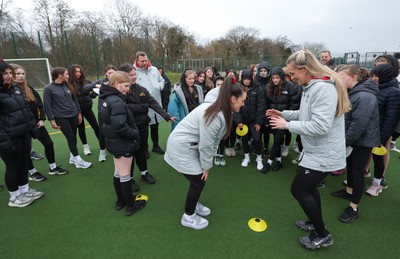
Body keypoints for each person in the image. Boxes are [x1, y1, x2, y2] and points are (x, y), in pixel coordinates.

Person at [267, 50, 350, 249]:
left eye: (293, 73)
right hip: (315, 151)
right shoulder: (311, 86)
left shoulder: (322, 89)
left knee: (299, 189)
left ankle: (323, 234)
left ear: (305, 70)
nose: (290, 78)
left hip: (324, 153)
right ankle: (315, 223)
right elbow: (305, 114)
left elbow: (321, 126)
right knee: (307, 189)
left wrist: (285, 125)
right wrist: (283, 113)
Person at [164, 77, 246, 230]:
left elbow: (211, 141)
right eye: (242, 101)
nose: (243, 104)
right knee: (198, 180)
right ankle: (188, 216)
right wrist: (206, 166)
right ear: (232, 99)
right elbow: (207, 144)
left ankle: (193, 204)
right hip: (182, 147)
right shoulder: (215, 114)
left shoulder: (220, 105)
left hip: (188, 145)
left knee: (197, 180)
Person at [331, 65, 380, 222]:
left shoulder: (365, 96)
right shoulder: (355, 92)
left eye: (342, 77)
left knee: (358, 172)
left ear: (354, 77)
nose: (339, 80)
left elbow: (359, 124)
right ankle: (349, 191)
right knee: (351, 167)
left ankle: (353, 207)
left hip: (363, 141)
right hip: (355, 139)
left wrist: (344, 142)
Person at [99, 71, 146, 216]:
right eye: (126, 85)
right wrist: (135, 134)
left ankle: (120, 201)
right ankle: (130, 205)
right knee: (125, 174)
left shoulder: (106, 98)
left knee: (118, 173)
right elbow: (119, 126)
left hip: (113, 142)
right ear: (116, 84)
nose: (128, 89)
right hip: (122, 142)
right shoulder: (117, 101)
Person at [119, 64, 174, 190]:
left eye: (134, 74)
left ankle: (144, 173)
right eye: (130, 75)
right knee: (130, 153)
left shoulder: (141, 89)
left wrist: (165, 115)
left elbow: (152, 102)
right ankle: (130, 178)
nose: (134, 77)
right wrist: (143, 107)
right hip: (130, 128)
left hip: (143, 125)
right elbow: (127, 108)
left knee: (142, 151)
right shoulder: (121, 91)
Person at [0, 58, 44, 207]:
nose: (8, 76)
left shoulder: (16, 89)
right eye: (4, 73)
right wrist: (4, 140)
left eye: (9, 73)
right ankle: (14, 197)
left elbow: (26, 111)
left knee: (24, 162)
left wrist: (33, 129)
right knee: (13, 166)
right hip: (9, 137)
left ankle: (24, 190)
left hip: (23, 133)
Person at [12, 64, 68, 180]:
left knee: (49, 143)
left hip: (37, 124)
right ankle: (32, 172)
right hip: (23, 126)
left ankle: (53, 168)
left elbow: (40, 105)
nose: (21, 76)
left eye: (22, 73)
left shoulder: (30, 89)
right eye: (17, 74)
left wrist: (42, 119)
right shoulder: (10, 92)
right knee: (26, 151)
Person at [43, 67, 92, 169]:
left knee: (73, 137)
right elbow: (47, 105)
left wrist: (78, 113)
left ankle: (72, 157)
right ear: (60, 75)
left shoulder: (67, 85)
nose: (68, 76)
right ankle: (78, 160)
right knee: (70, 137)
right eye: (67, 74)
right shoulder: (48, 89)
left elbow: (75, 100)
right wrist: (51, 120)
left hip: (73, 115)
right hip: (61, 117)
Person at [365, 64, 400, 196]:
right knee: (364, 154)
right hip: (368, 129)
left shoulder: (394, 92)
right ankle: (364, 175)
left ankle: (377, 184)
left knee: (378, 157)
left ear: (385, 76)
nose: (373, 78)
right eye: (372, 75)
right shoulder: (375, 87)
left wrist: (382, 137)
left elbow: (391, 118)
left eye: (376, 76)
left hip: (380, 132)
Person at [261, 67, 298, 173]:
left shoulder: (291, 87)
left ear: (282, 77)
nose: (275, 80)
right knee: (278, 140)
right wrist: (268, 118)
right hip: (273, 118)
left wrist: (284, 118)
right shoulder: (269, 87)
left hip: (284, 119)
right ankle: (279, 161)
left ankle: (268, 162)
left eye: (277, 78)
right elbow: (266, 104)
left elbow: (294, 105)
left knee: (277, 140)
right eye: (273, 78)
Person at [133, 51, 166, 155]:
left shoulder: (154, 69)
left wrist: (159, 86)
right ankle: (145, 149)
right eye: (142, 61)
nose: (145, 63)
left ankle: (155, 146)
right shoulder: (134, 72)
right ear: (137, 60)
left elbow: (162, 80)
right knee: (144, 129)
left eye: (146, 60)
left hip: (156, 103)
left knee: (155, 127)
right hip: (142, 106)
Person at [84, 65, 117, 162]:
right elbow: (86, 87)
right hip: (103, 111)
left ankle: (116, 149)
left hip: (116, 111)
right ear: (105, 74)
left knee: (117, 130)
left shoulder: (119, 81)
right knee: (102, 132)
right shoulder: (100, 82)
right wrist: (97, 86)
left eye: (113, 72)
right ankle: (102, 151)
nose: (112, 74)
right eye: (109, 72)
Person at [234, 68, 265, 170]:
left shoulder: (258, 89)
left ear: (252, 78)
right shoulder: (238, 89)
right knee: (245, 139)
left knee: (257, 139)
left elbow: (261, 107)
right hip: (243, 121)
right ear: (242, 79)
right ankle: (246, 157)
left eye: (248, 79)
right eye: (245, 79)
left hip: (254, 121)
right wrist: (238, 121)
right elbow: (235, 107)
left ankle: (259, 158)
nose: (247, 81)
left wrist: (259, 122)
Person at [68, 64, 100, 156]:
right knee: (81, 129)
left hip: (88, 109)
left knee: (96, 126)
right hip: (77, 111)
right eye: (76, 72)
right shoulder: (69, 84)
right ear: (71, 73)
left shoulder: (87, 82)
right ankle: (85, 147)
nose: (78, 74)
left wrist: (92, 96)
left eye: (79, 71)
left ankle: (102, 144)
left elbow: (96, 90)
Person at [204, 76, 226, 166]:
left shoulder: (226, 95)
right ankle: (216, 154)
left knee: (223, 138)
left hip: (224, 121)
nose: (219, 87)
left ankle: (221, 155)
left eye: (221, 85)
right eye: (217, 84)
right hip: (214, 120)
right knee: (215, 137)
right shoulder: (210, 95)